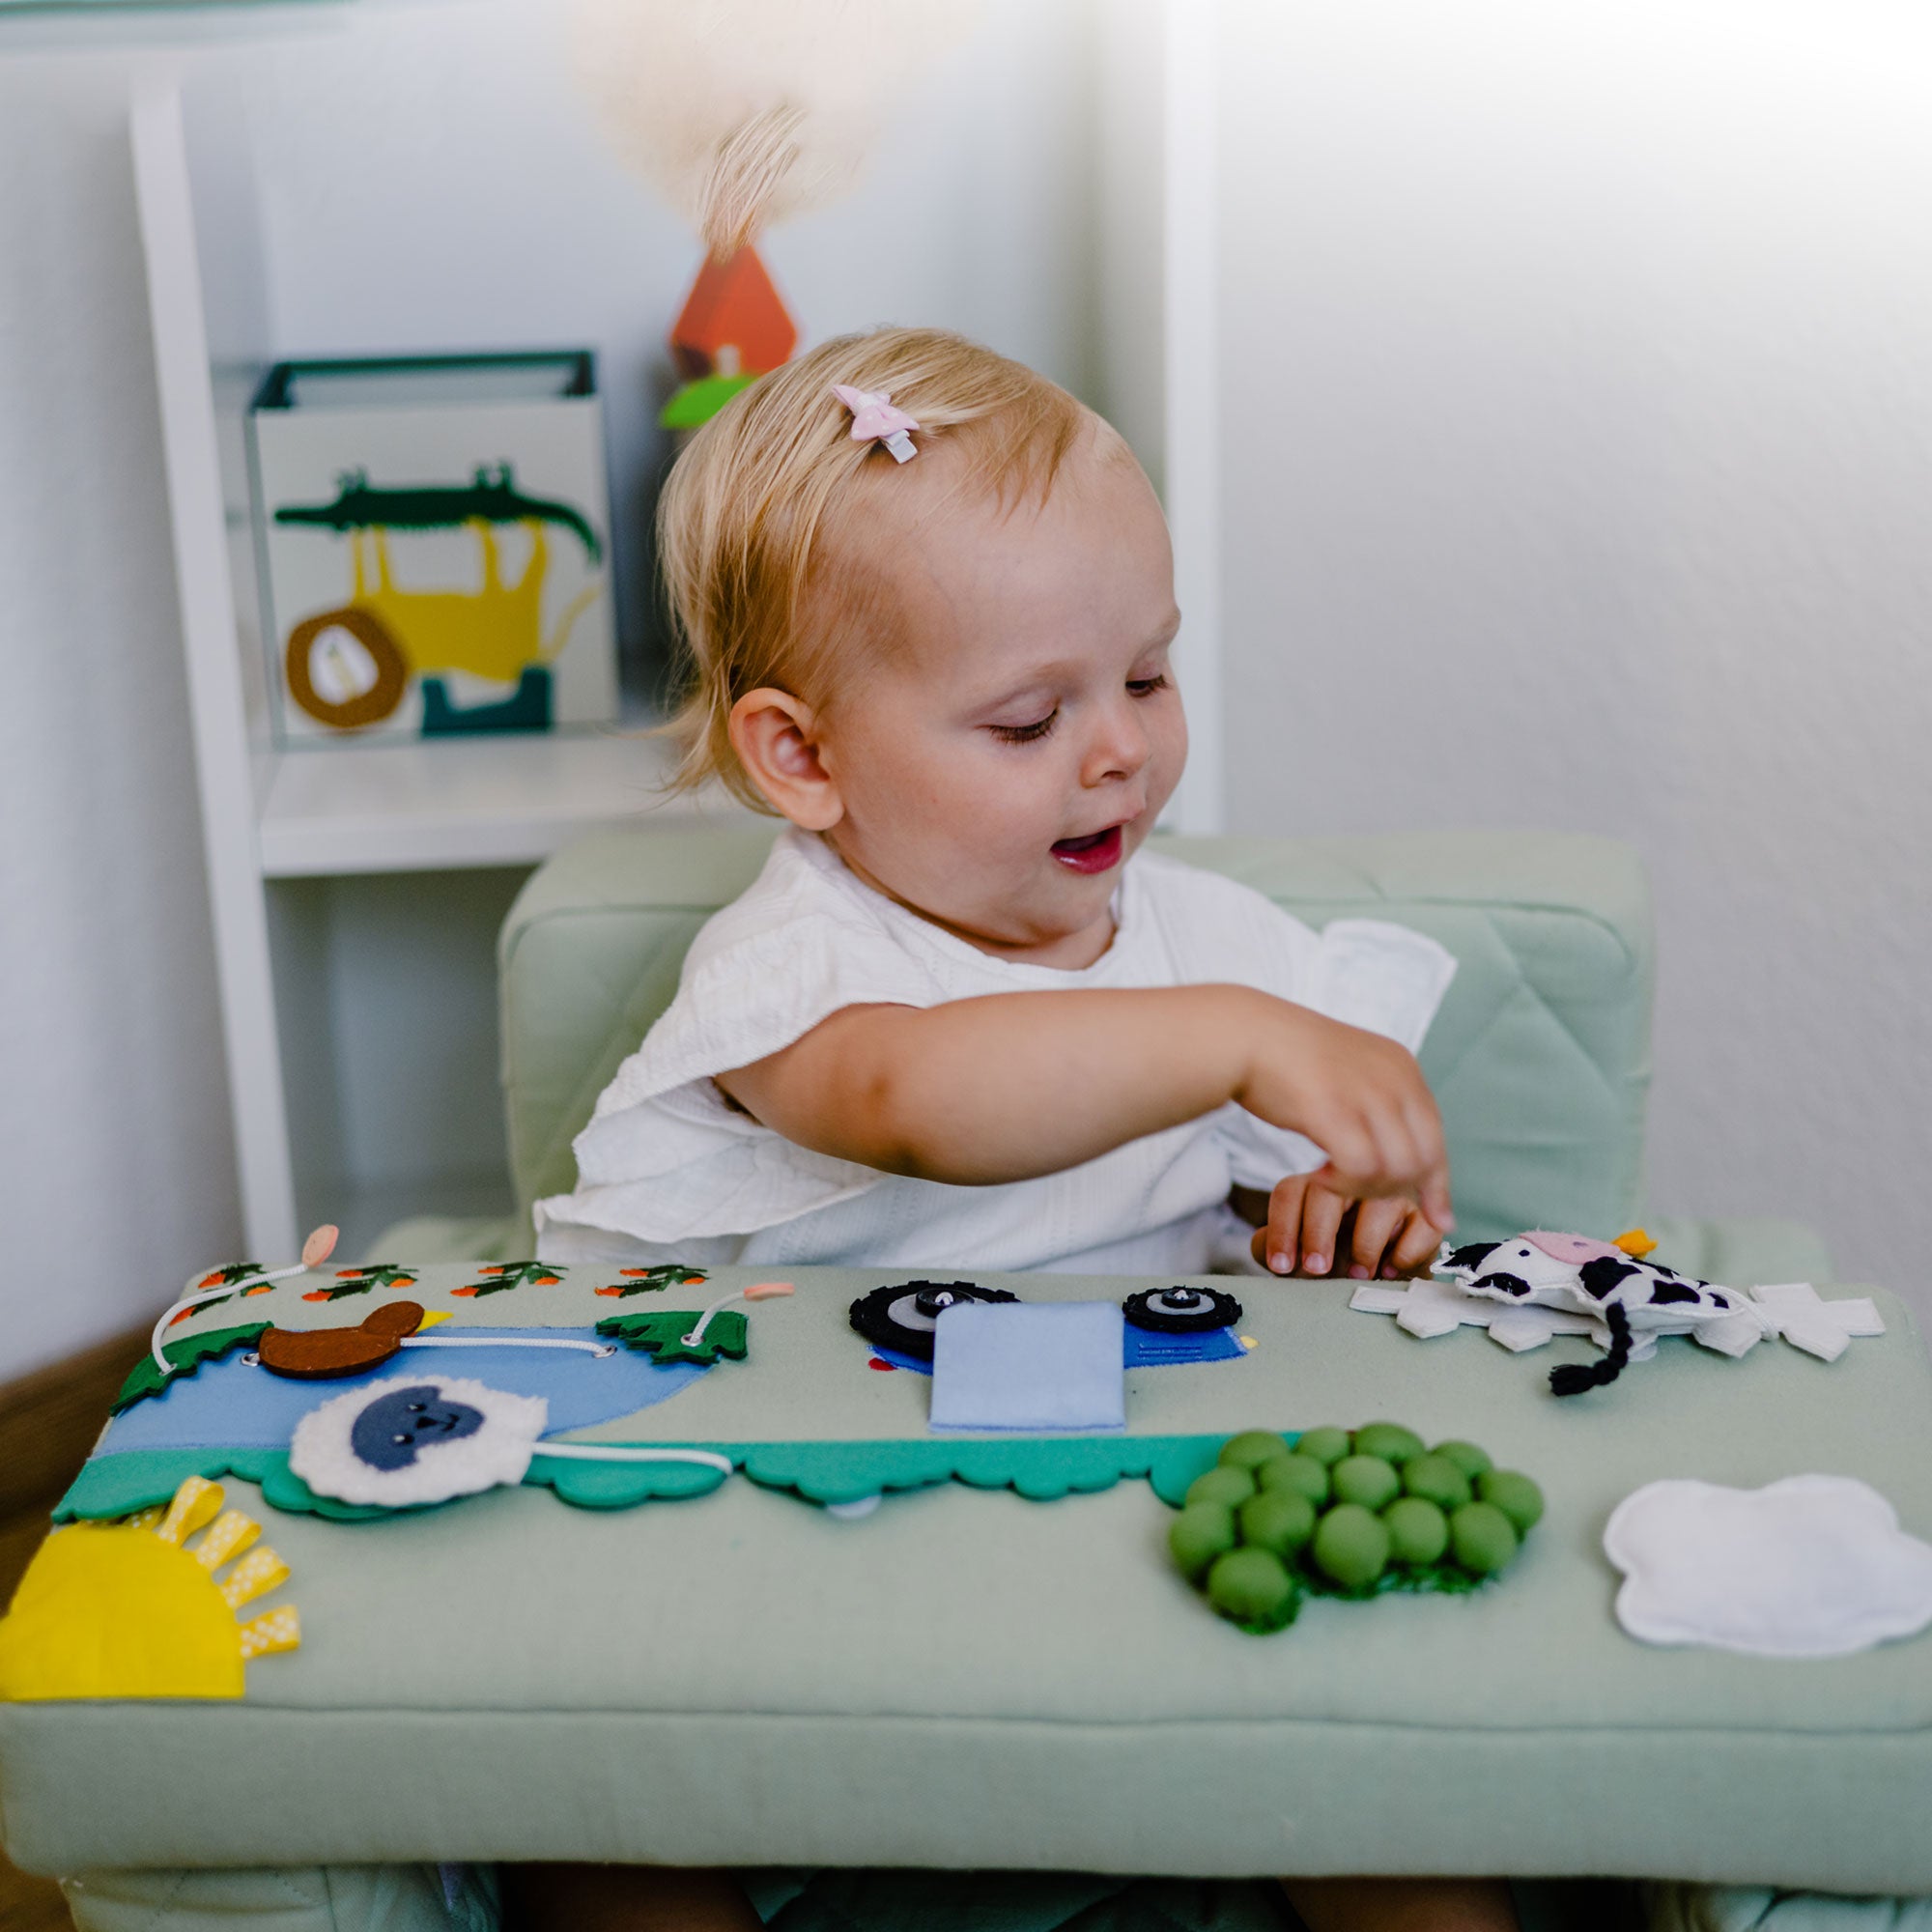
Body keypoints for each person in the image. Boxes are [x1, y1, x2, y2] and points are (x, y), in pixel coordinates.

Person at [514, 327, 1513, 1932]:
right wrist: (1234, 1043)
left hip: (1143, 1508)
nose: (1118, 747)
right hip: (783, 1529)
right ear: (804, 758)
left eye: (1147, 675)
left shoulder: (1218, 944)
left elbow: (1309, 1198)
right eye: (1027, 719)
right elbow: (920, 1105)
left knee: (1388, 1760)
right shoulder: (801, 965)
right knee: (578, 1789)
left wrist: (1359, 1206)